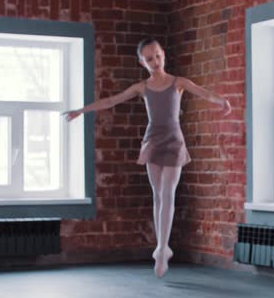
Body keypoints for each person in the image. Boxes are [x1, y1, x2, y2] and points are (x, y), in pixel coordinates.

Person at [63, 38, 232, 278]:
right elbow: (112, 100)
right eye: (149, 58)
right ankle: (161, 247)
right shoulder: (142, 87)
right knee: (158, 195)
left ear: (164, 55)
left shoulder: (178, 82)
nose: (155, 61)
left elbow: (203, 92)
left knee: (168, 193)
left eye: (157, 56)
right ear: (142, 62)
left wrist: (221, 100)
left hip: (174, 141)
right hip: (153, 140)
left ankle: (163, 248)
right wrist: (81, 110)